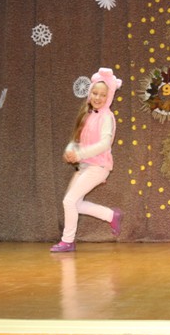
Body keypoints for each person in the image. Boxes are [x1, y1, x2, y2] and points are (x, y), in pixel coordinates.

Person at [51, 68, 124, 253]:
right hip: (85, 166)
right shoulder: (87, 114)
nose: (98, 97)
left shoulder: (107, 117)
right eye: (95, 93)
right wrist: (70, 151)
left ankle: (68, 241)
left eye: (103, 95)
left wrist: (80, 154)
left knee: (69, 201)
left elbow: (105, 144)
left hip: (98, 166)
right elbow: (76, 140)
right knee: (74, 203)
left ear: (109, 97)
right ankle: (111, 215)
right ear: (89, 93)